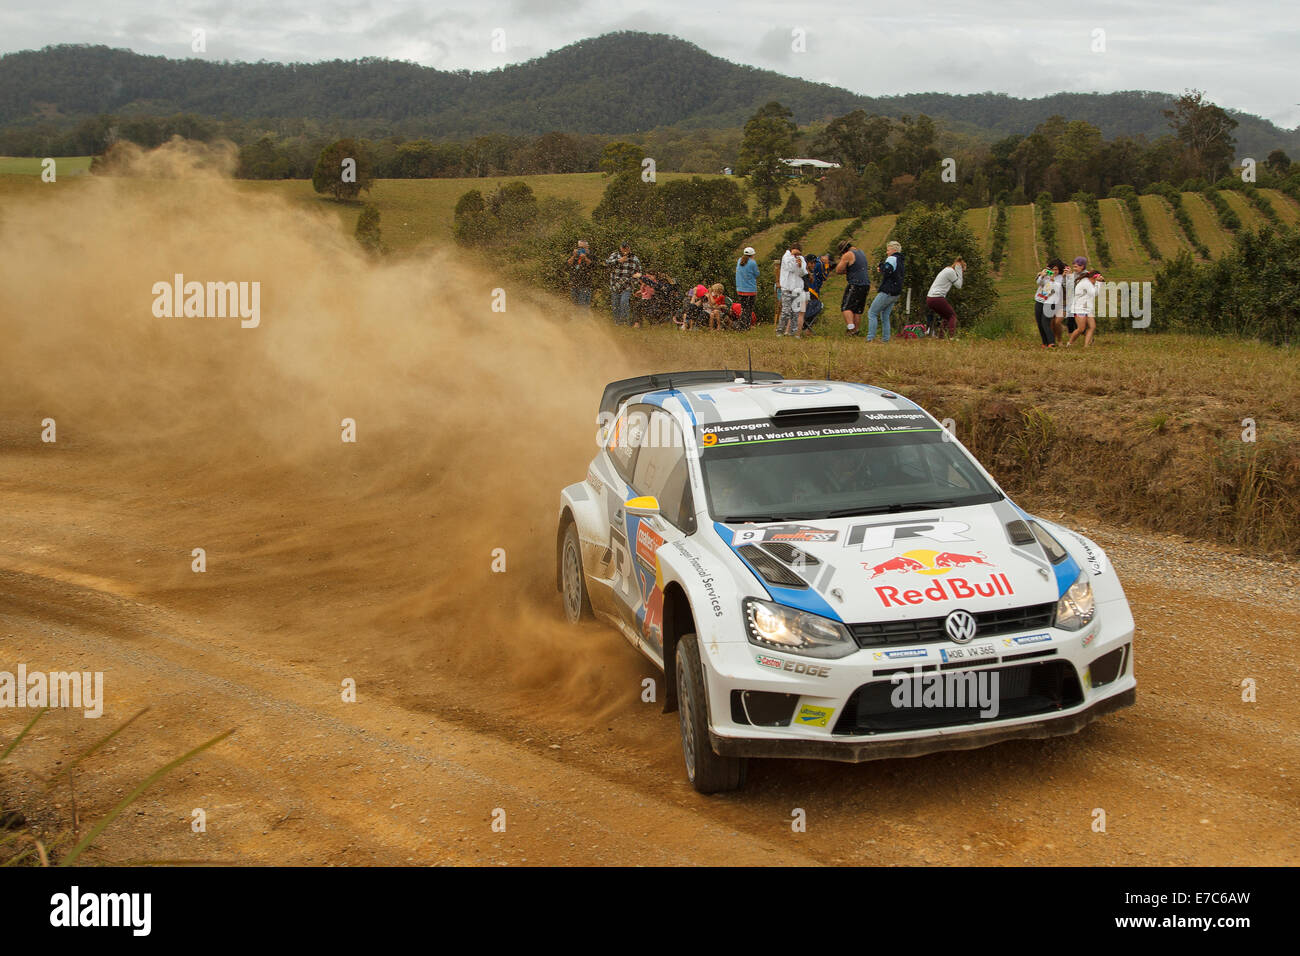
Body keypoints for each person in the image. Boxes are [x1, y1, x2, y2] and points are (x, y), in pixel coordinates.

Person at [866, 240, 904, 343]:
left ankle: (870, 338)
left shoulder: (892, 258)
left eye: (888, 250)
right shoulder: (901, 260)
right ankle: (885, 339)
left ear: (893, 250)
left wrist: (881, 267)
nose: (886, 252)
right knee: (885, 315)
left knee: (872, 313)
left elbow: (887, 270)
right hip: (896, 292)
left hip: (887, 291)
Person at [833, 239, 871, 335]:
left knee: (846, 307)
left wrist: (843, 265)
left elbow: (838, 270)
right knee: (857, 309)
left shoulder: (848, 255)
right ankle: (856, 330)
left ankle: (851, 328)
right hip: (866, 284)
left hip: (855, 284)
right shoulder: (861, 253)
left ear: (843, 250)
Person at [925, 256, 965, 338]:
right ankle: (951, 338)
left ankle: (941, 338)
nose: (963, 272)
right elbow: (959, 285)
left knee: (946, 317)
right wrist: (959, 271)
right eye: (963, 270)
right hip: (937, 297)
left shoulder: (947, 269)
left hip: (931, 298)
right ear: (958, 268)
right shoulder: (950, 272)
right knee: (952, 316)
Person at [605, 241, 642, 326]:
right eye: (623, 248)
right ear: (620, 248)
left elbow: (639, 272)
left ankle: (624, 321)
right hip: (615, 284)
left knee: (624, 302)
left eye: (627, 248)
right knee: (615, 304)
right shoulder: (614, 255)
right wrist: (618, 261)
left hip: (627, 285)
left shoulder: (634, 258)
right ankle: (617, 322)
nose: (625, 250)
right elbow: (606, 264)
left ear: (629, 248)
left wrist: (634, 281)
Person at [777, 242, 808, 336]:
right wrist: (793, 259)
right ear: (791, 251)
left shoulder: (801, 259)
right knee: (786, 311)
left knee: (795, 312)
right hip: (787, 288)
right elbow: (789, 268)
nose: (797, 256)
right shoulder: (786, 257)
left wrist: (800, 266)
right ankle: (780, 331)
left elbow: (803, 273)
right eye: (795, 254)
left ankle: (793, 333)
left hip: (798, 289)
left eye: (799, 254)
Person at [1034, 258, 1065, 348]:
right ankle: (1044, 343)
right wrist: (1042, 276)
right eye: (1053, 269)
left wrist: (1051, 280)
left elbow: (1055, 289)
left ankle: (1051, 342)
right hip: (1040, 300)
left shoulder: (1059, 278)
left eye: (1056, 269)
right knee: (1039, 323)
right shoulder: (1046, 275)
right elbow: (1039, 283)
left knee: (1045, 322)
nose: (1054, 271)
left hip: (1050, 303)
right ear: (1049, 269)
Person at [1067, 270, 1101, 347]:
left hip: (1087, 308)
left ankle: (1086, 346)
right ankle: (1069, 343)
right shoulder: (1085, 283)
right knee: (1081, 329)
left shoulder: (1089, 283)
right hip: (1079, 308)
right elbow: (1094, 293)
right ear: (1094, 277)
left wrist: (1099, 283)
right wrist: (1099, 283)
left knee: (1092, 327)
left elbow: (1094, 293)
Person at [735, 246, 760, 328]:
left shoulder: (739, 261)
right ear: (752, 255)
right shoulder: (753, 263)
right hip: (750, 290)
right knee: (748, 309)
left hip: (740, 289)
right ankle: (744, 326)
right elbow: (757, 274)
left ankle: (743, 324)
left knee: (744, 308)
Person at [566, 240, 593, 308]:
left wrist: (585, 258)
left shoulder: (591, 255)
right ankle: (575, 318)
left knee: (583, 306)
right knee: (574, 306)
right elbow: (568, 263)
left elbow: (592, 265)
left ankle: (583, 318)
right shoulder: (575, 255)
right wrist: (574, 256)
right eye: (579, 247)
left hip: (585, 285)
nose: (581, 249)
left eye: (582, 247)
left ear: (587, 247)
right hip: (574, 284)